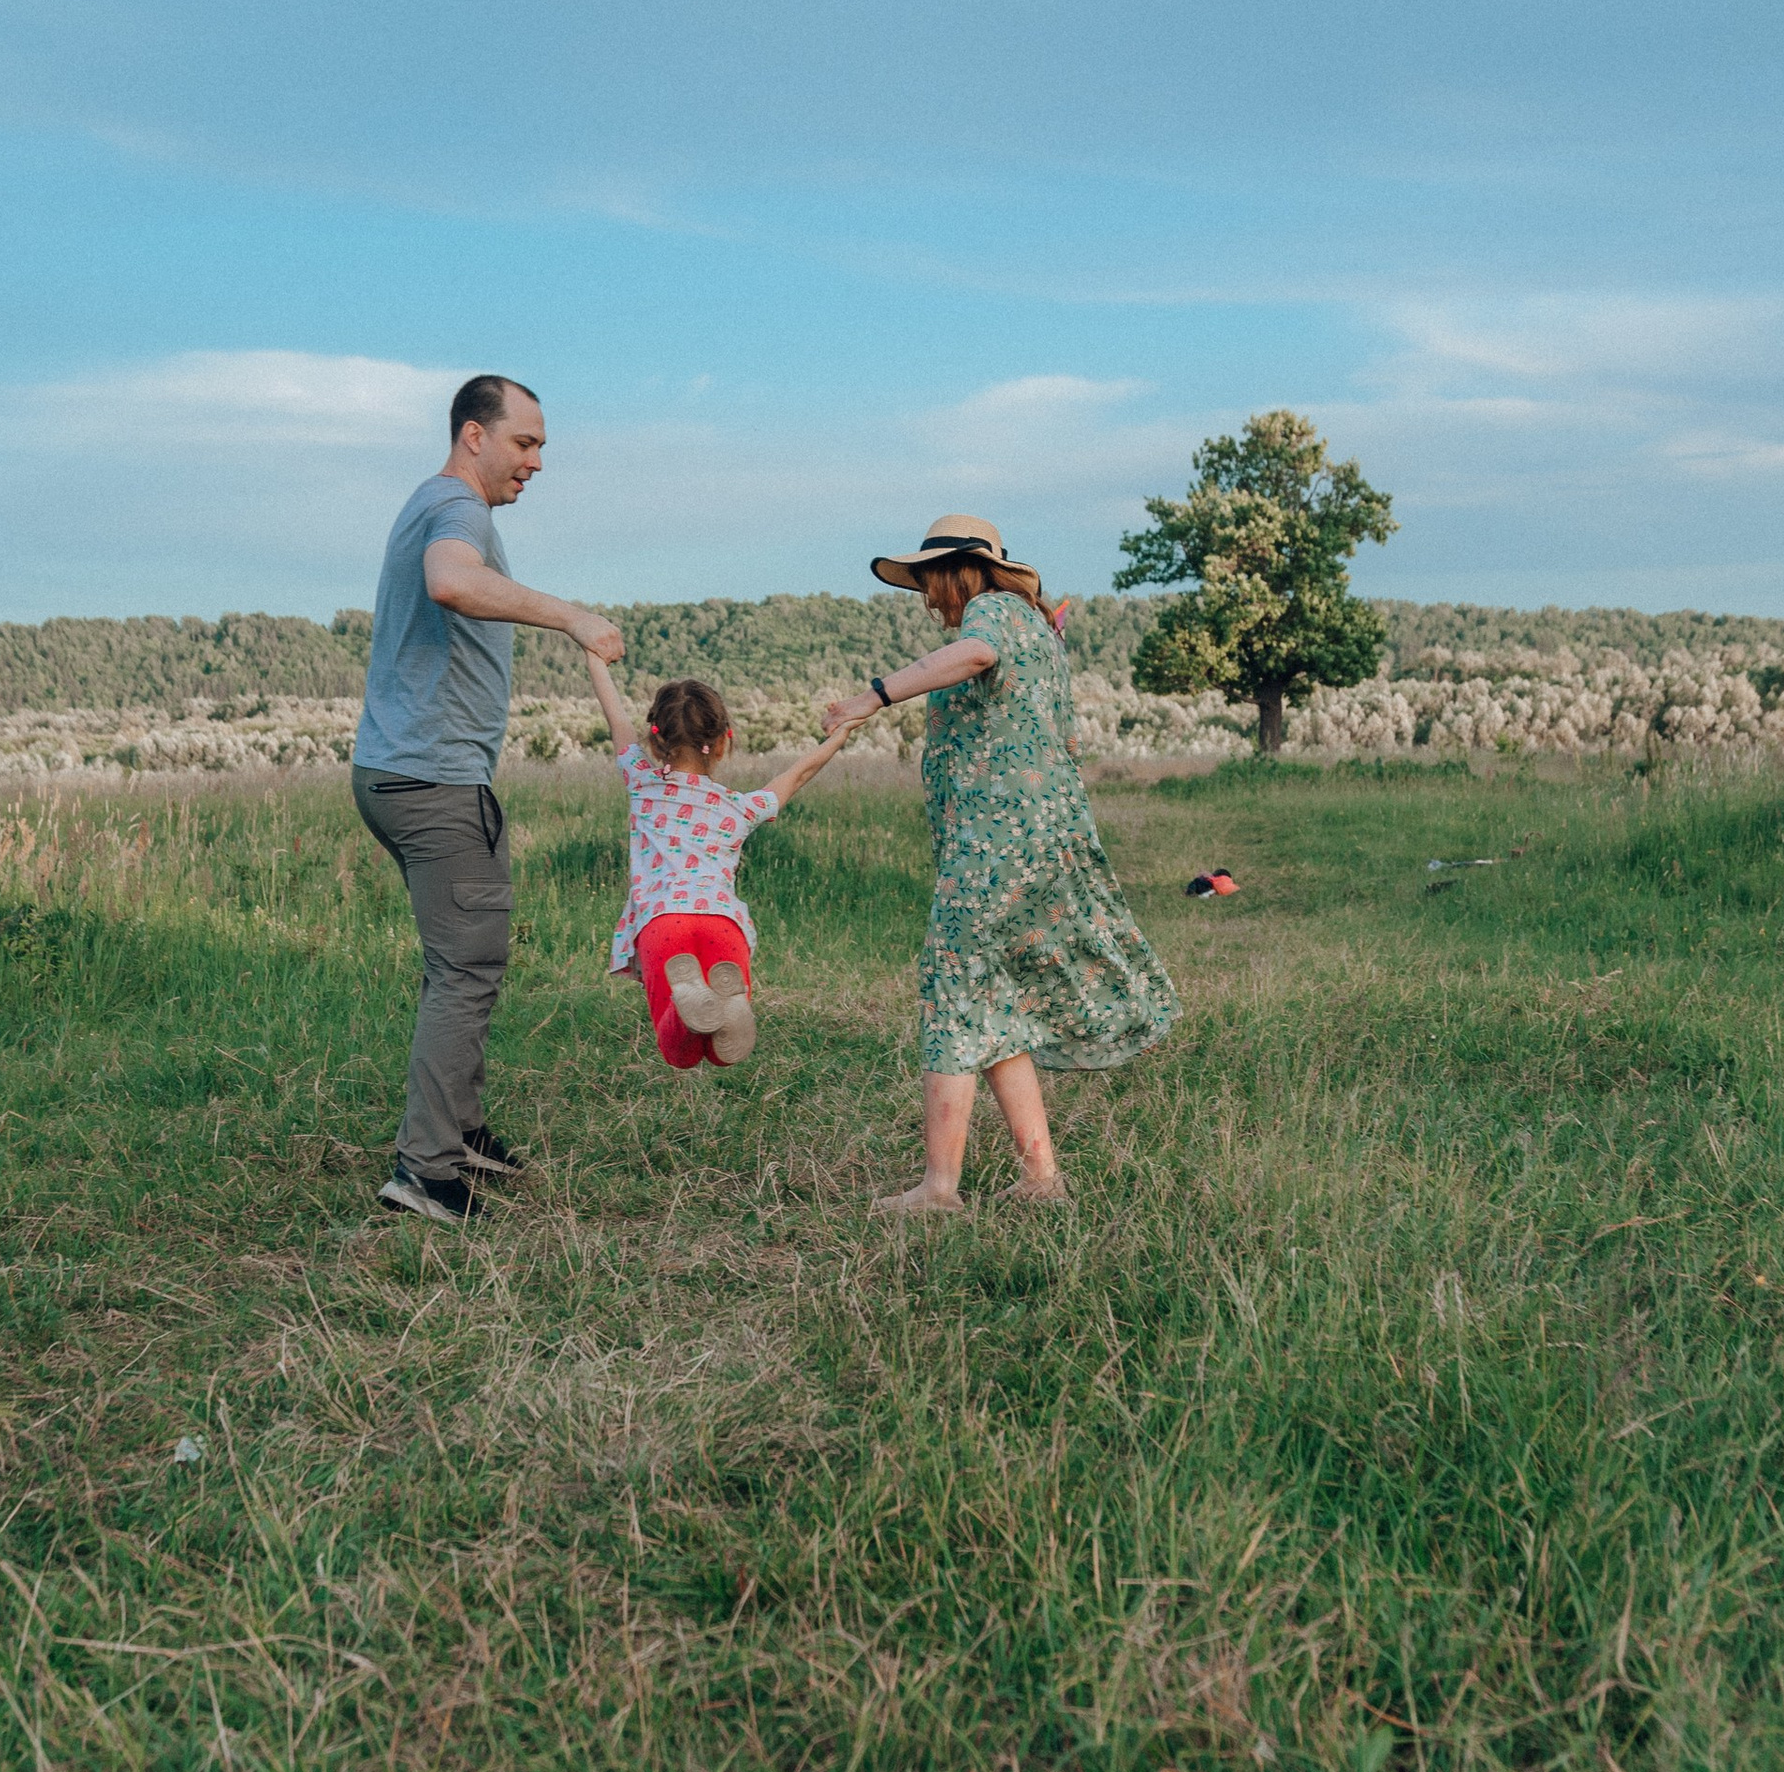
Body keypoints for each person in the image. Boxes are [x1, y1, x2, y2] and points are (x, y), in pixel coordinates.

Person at [825, 516, 1178, 1211]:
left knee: (953, 990)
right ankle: (1042, 1181)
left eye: (927, 582)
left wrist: (875, 694)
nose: (927, 599)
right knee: (995, 1003)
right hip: (1025, 838)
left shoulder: (991, 614)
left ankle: (939, 1188)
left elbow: (975, 656)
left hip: (999, 846)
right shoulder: (1037, 629)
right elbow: (1065, 738)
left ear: (954, 570)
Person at [351, 376, 625, 1227]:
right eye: (526, 442)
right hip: (432, 780)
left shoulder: (437, 504)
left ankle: (461, 1134)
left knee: (466, 961)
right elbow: (450, 582)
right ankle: (426, 1172)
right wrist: (573, 617)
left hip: (411, 772)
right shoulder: (458, 514)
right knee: (466, 972)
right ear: (475, 435)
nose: (536, 461)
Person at [581, 654, 872, 1069]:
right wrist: (835, 739)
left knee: (679, 1053)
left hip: (664, 924)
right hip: (723, 927)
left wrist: (595, 660)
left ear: (655, 739)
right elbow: (798, 775)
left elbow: (616, 720)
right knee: (723, 1054)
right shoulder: (737, 806)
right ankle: (716, 1004)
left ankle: (687, 1003)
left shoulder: (642, 783)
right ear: (722, 743)